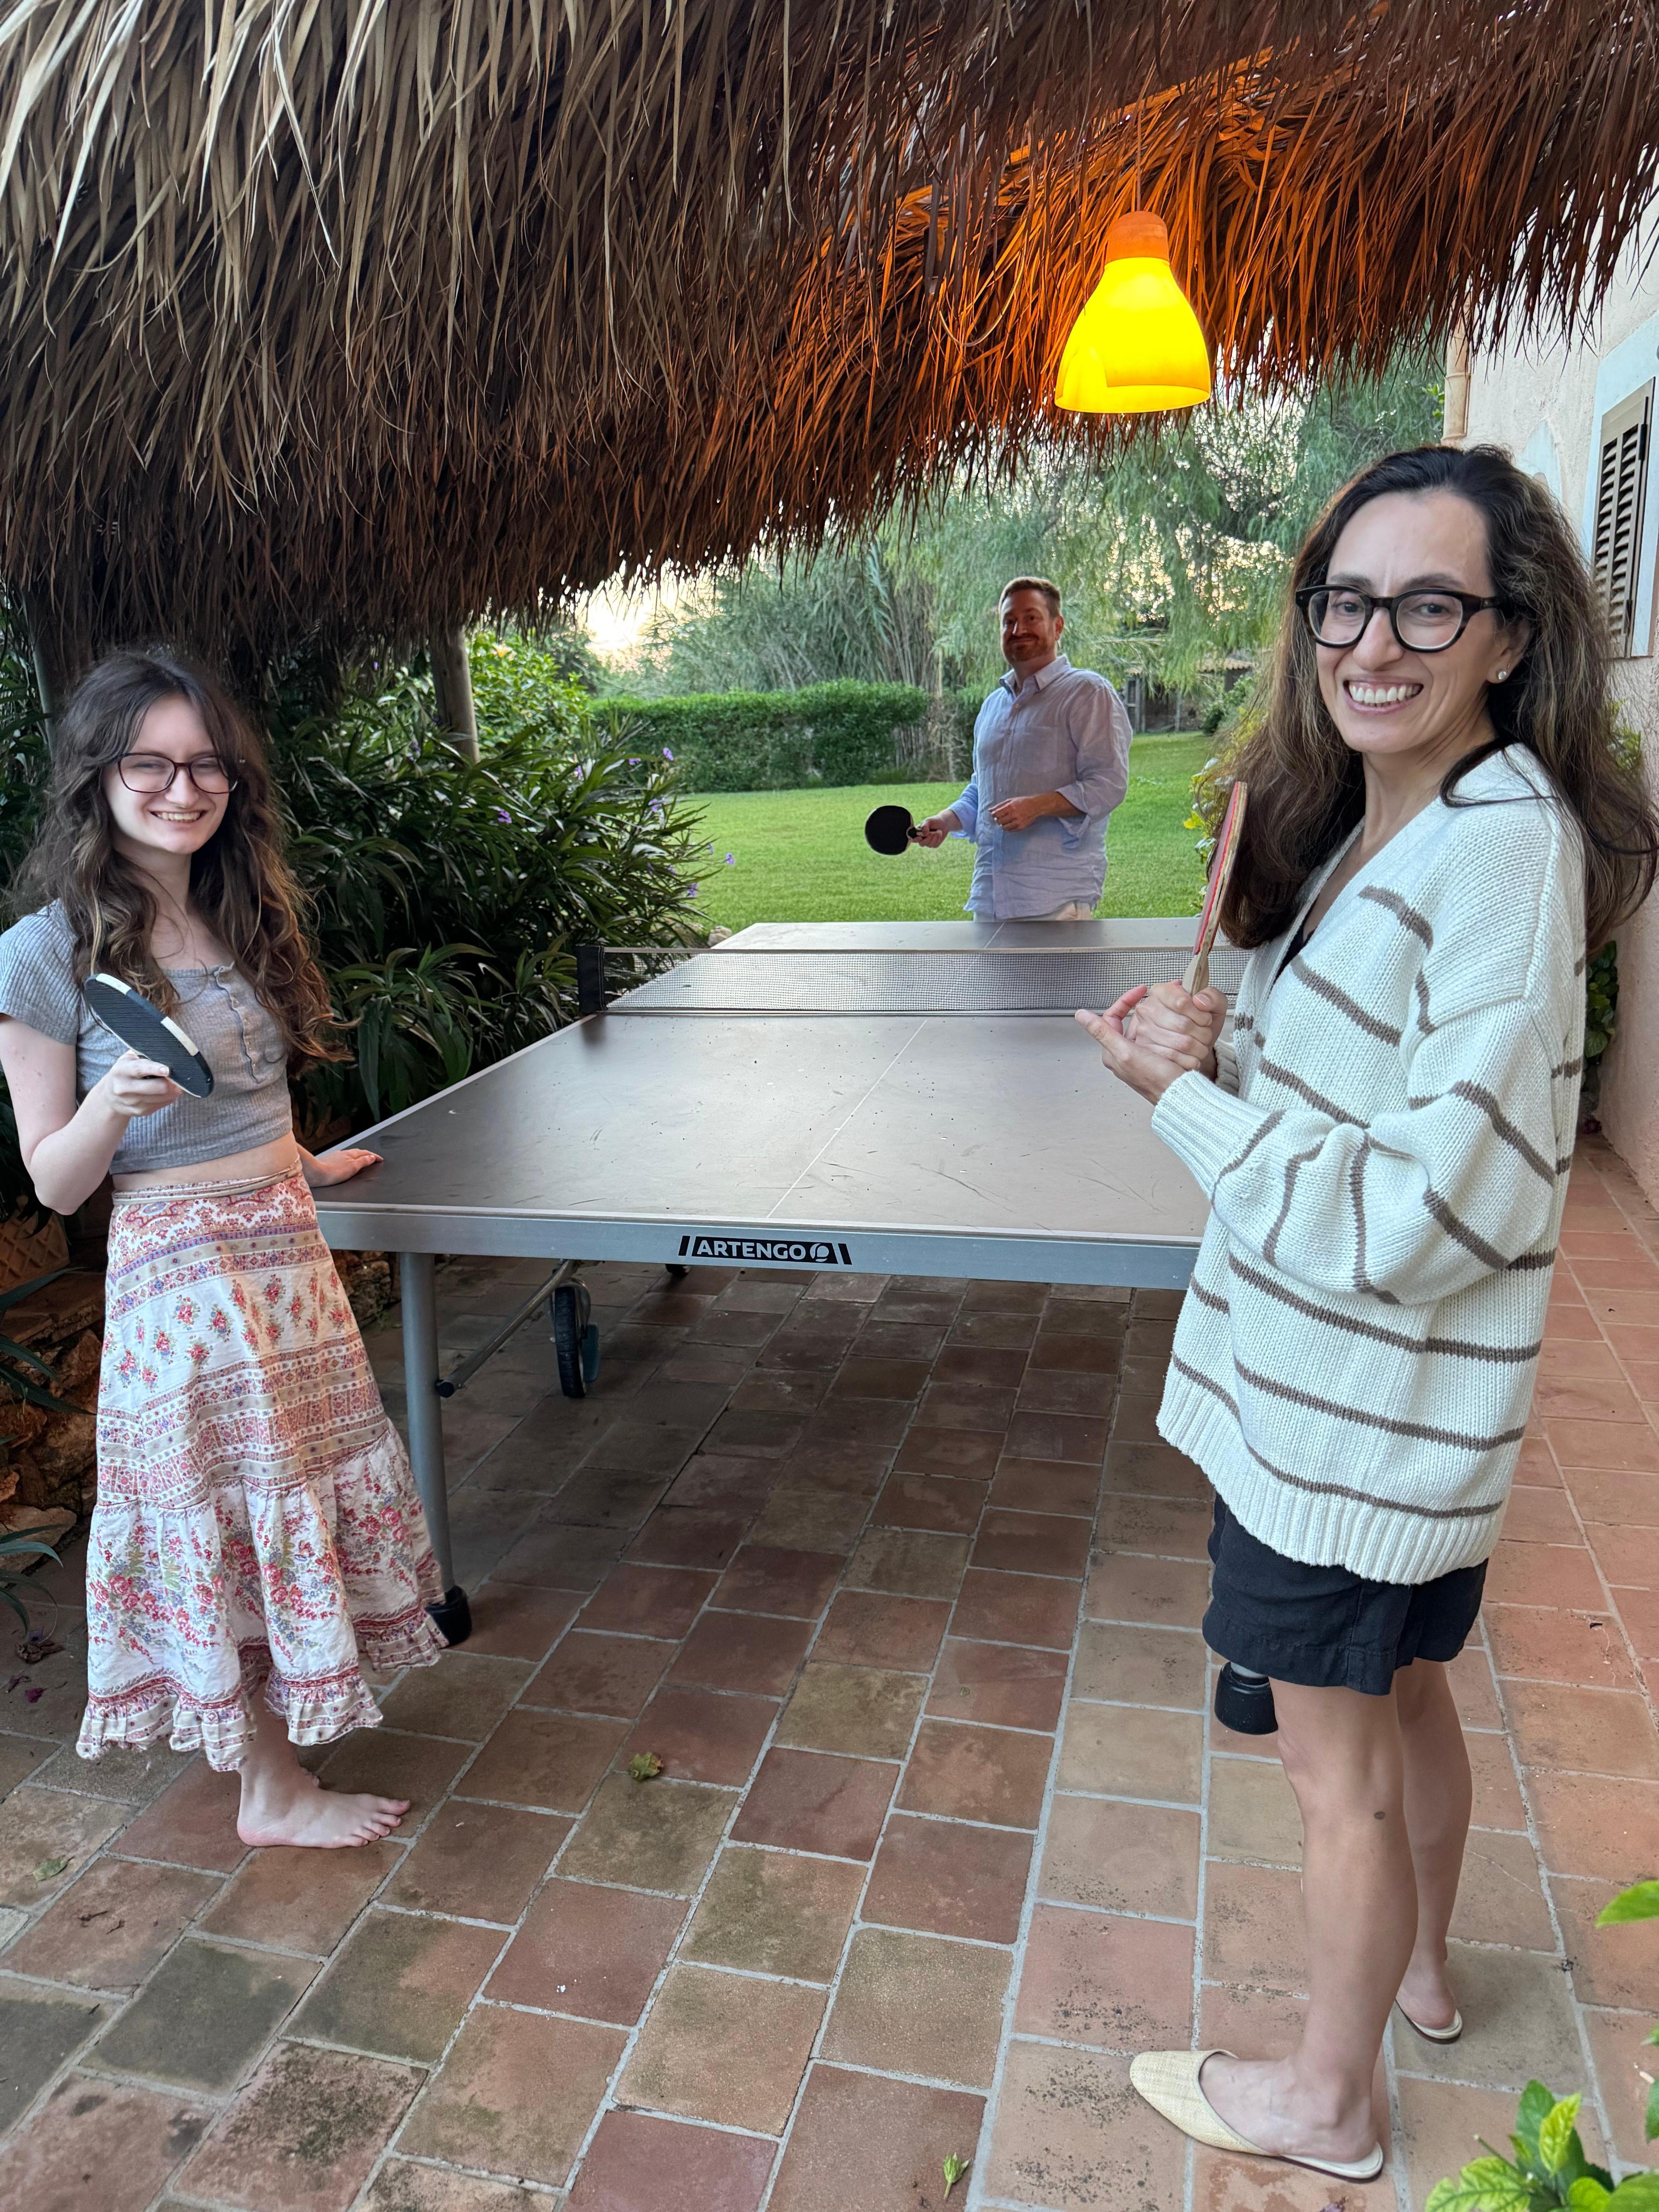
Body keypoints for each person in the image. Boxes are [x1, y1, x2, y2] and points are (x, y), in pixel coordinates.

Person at [1077, 445, 1659, 2182]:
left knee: (1336, 1772)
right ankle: (1415, 1971)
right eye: (1343, 602)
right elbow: (1378, 1094)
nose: (1370, 644)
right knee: (1403, 1705)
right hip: (1366, 1411)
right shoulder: (1390, 815)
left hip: (1351, 1422)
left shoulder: (1495, 850)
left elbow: (1425, 1210)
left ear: (1508, 634)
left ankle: (1327, 2102)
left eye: (1426, 605)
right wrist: (1221, 1050)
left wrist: (1178, 1110)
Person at [0, 650, 446, 1849]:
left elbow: (244, 1090)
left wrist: (305, 1162)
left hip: (283, 1259)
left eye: (205, 764)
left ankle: (282, 1759)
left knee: (278, 1502)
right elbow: (55, 1177)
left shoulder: (238, 909)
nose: (183, 788)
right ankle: (269, 1789)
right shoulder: (43, 951)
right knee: (224, 1520)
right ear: (98, 775)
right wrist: (112, 1105)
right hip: (185, 1278)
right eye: (150, 762)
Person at [915, 577, 1131, 918]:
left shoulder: (1088, 693)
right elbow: (983, 791)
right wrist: (945, 821)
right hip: (989, 898)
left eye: (1031, 618)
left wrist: (1037, 806)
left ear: (1057, 626)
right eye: (1009, 621)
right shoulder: (993, 706)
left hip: (1055, 899)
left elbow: (1108, 785)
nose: (1019, 630)